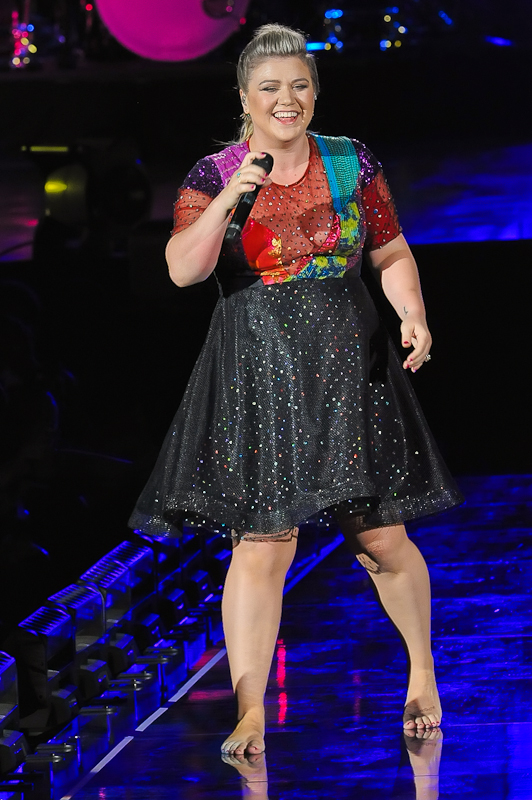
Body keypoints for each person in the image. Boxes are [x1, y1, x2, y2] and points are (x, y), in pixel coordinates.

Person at [129, 23, 462, 756]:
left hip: (348, 366)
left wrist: (412, 314)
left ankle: (422, 672)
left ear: (315, 92)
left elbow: (391, 249)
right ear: (245, 97)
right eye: (272, 88)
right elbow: (184, 270)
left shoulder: (350, 161)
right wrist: (231, 199)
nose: (289, 100)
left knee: (381, 538)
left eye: (301, 86)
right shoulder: (216, 172)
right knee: (263, 545)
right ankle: (250, 711)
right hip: (258, 372)